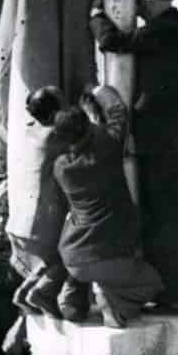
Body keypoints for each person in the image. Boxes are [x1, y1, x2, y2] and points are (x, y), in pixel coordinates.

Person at [89, 0, 178, 312]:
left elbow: (113, 41)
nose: (137, 12)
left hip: (163, 142)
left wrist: (97, 14)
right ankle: (175, 292)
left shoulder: (166, 28)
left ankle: (177, 295)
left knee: (165, 220)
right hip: (166, 141)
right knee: (165, 219)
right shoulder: (173, 27)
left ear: (149, 0)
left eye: (139, 5)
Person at [51, 87, 164, 329]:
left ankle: (70, 300)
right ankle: (114, 305)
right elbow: (117, 113)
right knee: (152, 283)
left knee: (82, 248)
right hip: (108, 254)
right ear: (88, 129)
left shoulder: (61, 167)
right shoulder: (106, 147)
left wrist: (90, 125)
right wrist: (100, 90)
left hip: (73, 257)